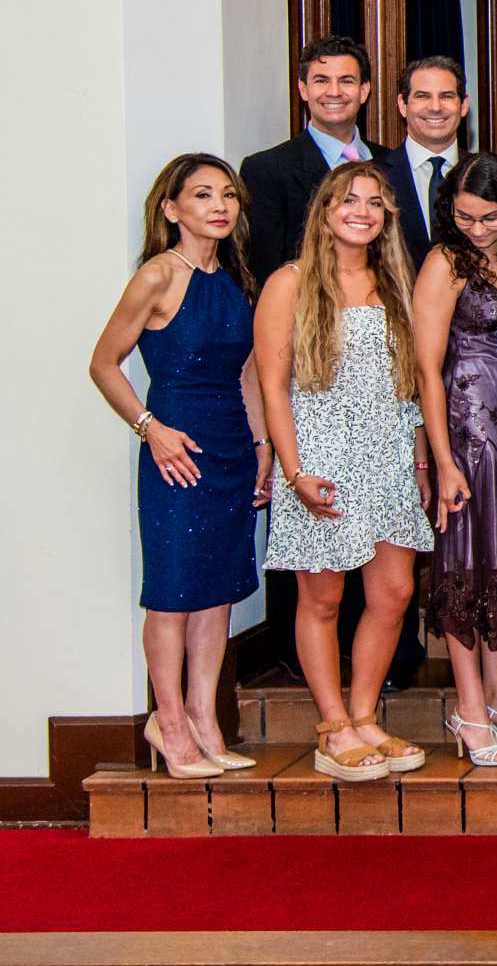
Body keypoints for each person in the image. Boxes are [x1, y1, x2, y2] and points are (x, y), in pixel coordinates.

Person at [255, 162, 435, 783]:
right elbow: (273, 386)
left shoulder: (397, 284)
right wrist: (293, 468)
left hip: (387, 454)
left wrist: (418, 454)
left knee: (394, 593)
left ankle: (364, 715)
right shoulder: (292, 282)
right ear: (325, 211)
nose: (362, 210)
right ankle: (332, 727)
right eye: (349, 200)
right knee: (324, 595)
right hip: (320, 454)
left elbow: (408, 382)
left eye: (376, 203)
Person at [88, 155, 265, 779]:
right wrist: (150, 429)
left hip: (232, 449)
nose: (219, 206)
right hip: (175, 450)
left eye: (228, 196)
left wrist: (263, 447)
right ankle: (166, 722)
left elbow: (247, 374)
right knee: (171, 593)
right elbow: (104, 363)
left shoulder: (239, 280)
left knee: (215, 594)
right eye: (202, 195)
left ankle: (203, 716)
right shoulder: (157, 277)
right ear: (172, 209)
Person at [412, 152, 497, 766]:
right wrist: (442, 459)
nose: (478, 229)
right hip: (468, 430)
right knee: (466, 563)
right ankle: (468, 708)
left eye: (490, 217)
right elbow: (427, 370)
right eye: (465, 216)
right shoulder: (445, 260)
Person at [242, 34, 377, 278]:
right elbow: (263, 268)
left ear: (364, 91)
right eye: (321, 81)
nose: (334, 92)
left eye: (346, 81)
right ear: (304, 89)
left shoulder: (391, 163)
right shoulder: (266, 169)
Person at [375, 55, 469, 268]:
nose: (435, 107)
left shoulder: (486, 173)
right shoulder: (373, 175)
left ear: (463, 105)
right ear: (402, 104)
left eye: (446, 96)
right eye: (423, 96)